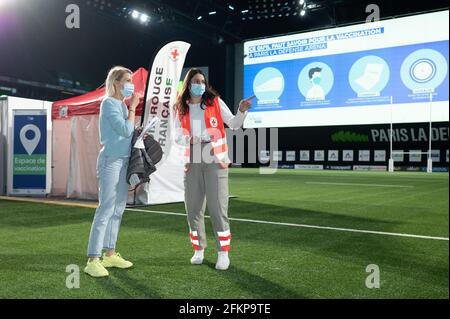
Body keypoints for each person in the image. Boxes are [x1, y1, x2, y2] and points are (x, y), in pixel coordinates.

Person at [175, 68, 254, 270]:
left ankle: (223, 253)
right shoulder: (181, 107)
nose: (200, 84)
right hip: (192, 159)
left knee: (218, 208)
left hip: (215, 159)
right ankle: (199, 249)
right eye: (195, 81)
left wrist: (242, 110)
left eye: (202, 81)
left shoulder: (215, 102)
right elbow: (176, 136)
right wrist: (188, 138)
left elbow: (234, 124)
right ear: (188, 84)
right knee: (192, 209)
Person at [84, 66, 139, 277]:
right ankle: (92, 259)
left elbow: (129, 132)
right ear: (116, 82)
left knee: (118, 209)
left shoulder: (122, 105)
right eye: (127, 80)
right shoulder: (108, 103)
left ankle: (110, 254)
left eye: (131, 80)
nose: (130, 84)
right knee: (106, 209)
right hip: (110, 161)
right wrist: (133, 108)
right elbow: (125, 130)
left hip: (124, 161)